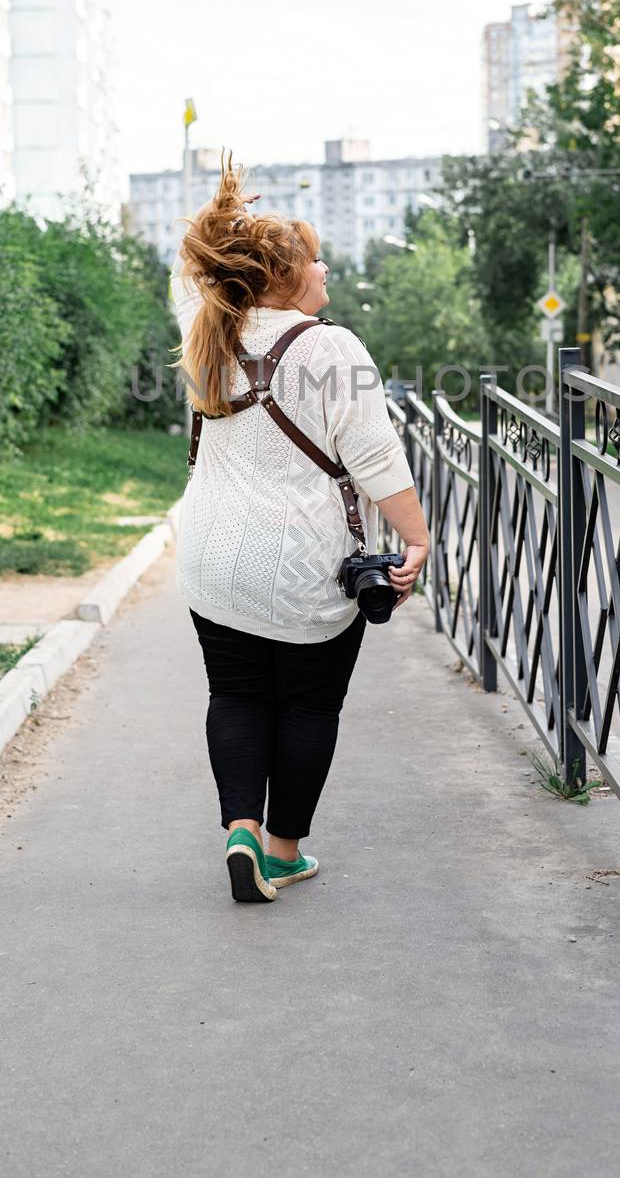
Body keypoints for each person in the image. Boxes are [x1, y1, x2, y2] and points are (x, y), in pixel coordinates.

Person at [169, 155, 430, 904]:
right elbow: (376, 458)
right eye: (313, 259)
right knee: (310, 704)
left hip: (214, 557)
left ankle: (240, 831)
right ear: (286, 275)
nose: (324, 269)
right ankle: (281, 852)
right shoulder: (331, 347)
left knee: (237, 692)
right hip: (306, 561)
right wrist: (417, 540)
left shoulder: (208, 338)